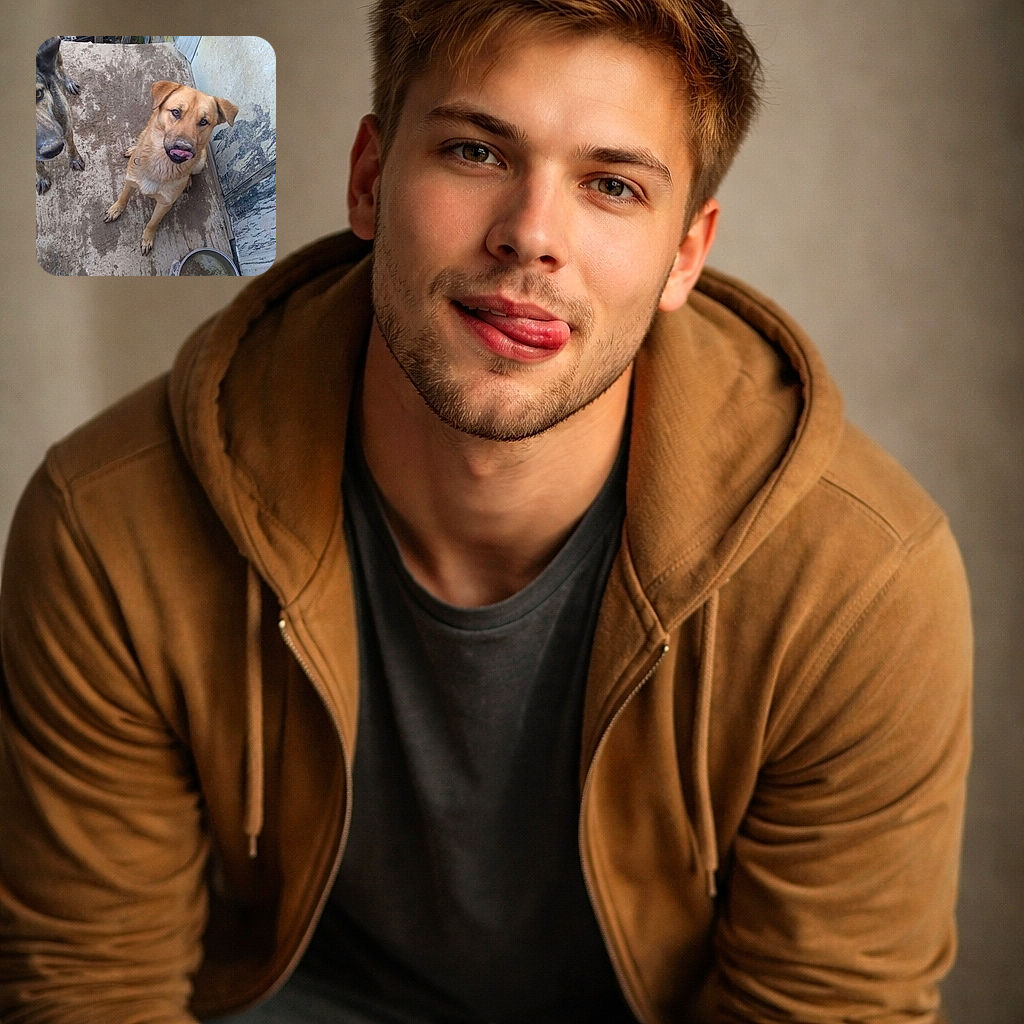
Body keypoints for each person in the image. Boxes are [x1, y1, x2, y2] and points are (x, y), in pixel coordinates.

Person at [0, 1, 972, 1021]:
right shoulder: (113, 521)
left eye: (610, 185)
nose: (530, 238)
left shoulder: (857, 580)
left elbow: (820, 1006)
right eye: (475, 150)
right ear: (370, 180)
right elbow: (89, 986)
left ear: (686, 252)